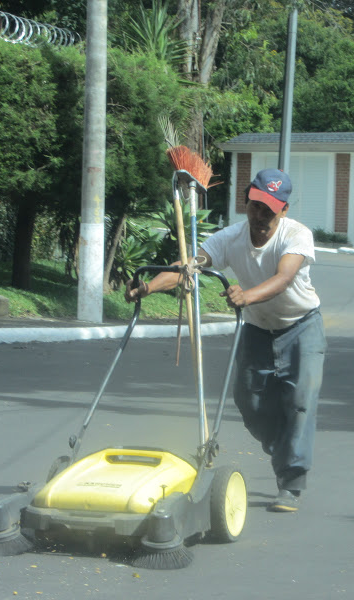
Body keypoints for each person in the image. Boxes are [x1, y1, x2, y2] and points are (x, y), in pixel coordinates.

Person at [125, 168, 326, 513]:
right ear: (246, 201)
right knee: (249, 401)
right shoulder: (230, 238)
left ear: (284, 211)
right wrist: (147, 287)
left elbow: (284, 277)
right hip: (257, 330)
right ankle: (284, 448)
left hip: (301, 326)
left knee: (299, 401)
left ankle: (291, 482)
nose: (261, 216)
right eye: (256, 206)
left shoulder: (297, 236)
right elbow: (188, 265)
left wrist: (246, 296)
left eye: (270, 210)